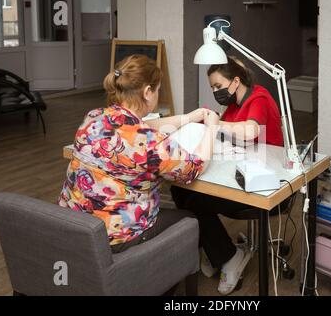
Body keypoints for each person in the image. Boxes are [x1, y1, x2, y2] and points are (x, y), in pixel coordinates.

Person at [59, 54, 219, 254]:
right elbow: (194, 167)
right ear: (147, 92)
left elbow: (136, 128)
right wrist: (212, 128)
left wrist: (187, 118)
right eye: (158, 90)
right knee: (193, 219)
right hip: (114, 237)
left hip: (74, 224)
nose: (158, 94)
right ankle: (157, 278)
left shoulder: (94, 116)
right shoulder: (151, 143)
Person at [171, 56, 284, 295]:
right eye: (212, 87)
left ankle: (227, 256)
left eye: (218, 86)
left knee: (194, 198)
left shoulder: (259, 98)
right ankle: (220, 253)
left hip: (264, 182)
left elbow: (251, 130)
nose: (215, 92)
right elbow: (223, 137)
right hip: (236, 170)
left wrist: (216, 126)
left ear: (235, 82)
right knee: (180, 188)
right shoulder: (232, 106)